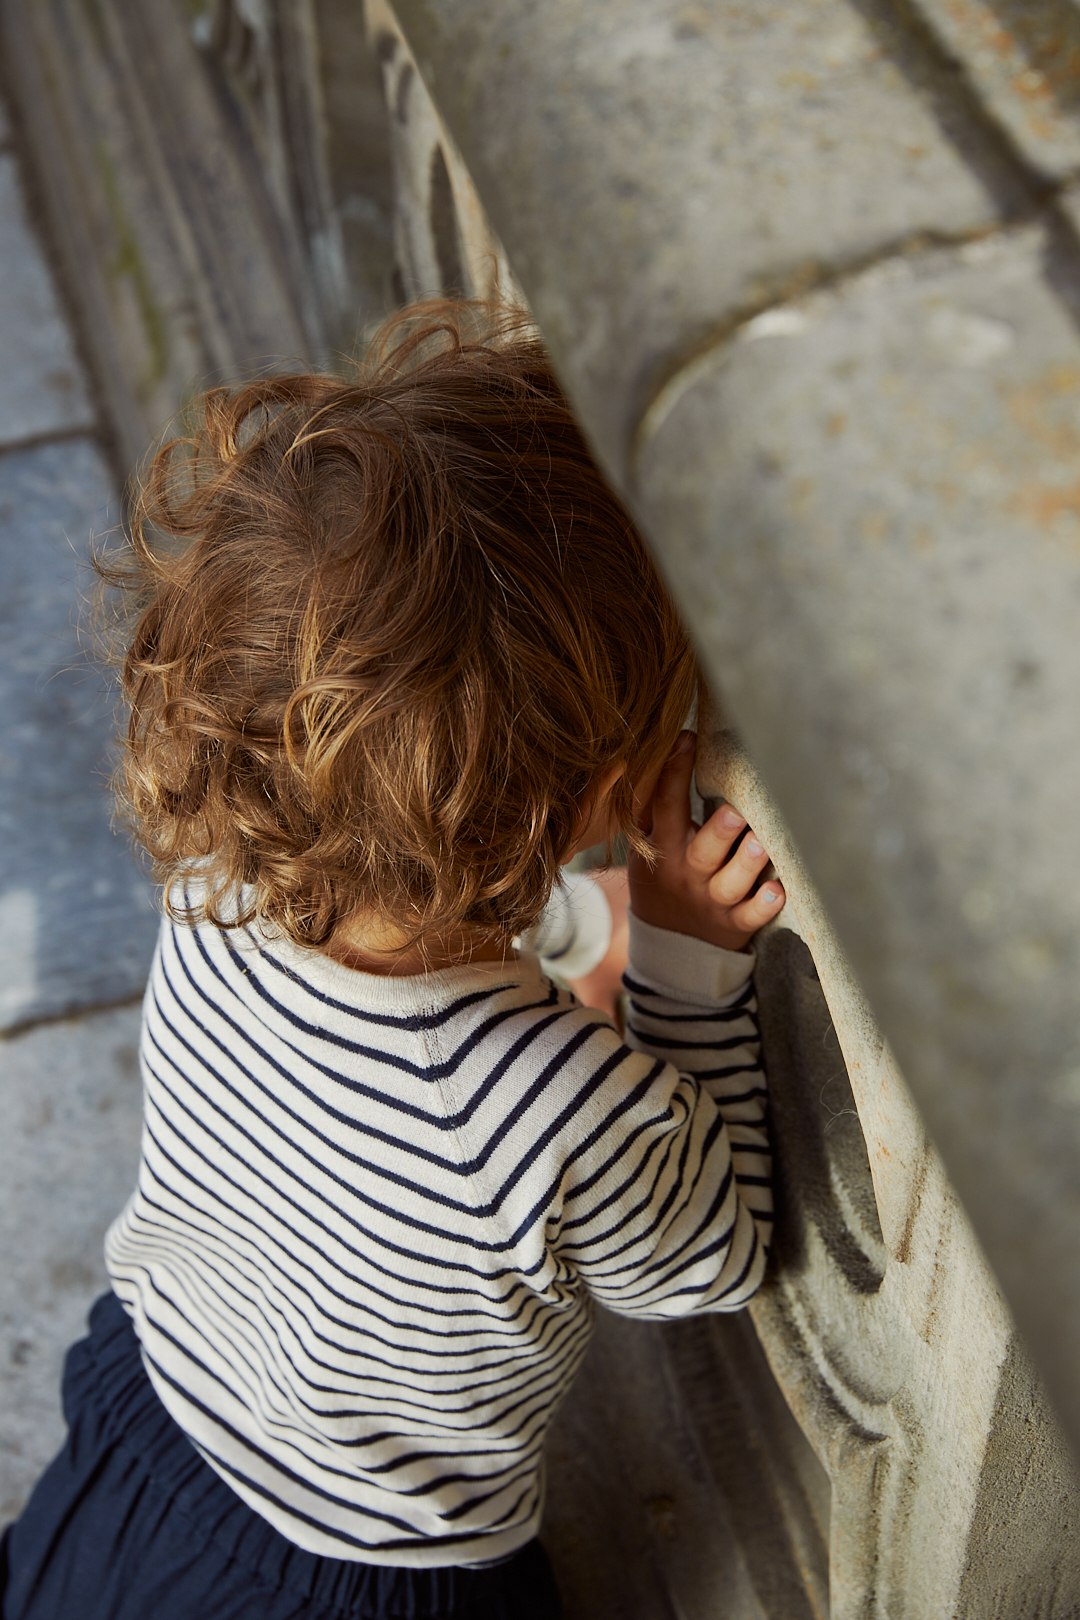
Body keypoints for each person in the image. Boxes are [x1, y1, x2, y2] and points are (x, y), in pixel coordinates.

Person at [0, 298, 785, 1620]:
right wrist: (680, 962)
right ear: (598, 793)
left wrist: (563, 1024)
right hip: (352, 1577)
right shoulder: (565, 1108)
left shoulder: (219, 874)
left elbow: (390, 1092)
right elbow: (713, 1256)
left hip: (150, 1434)